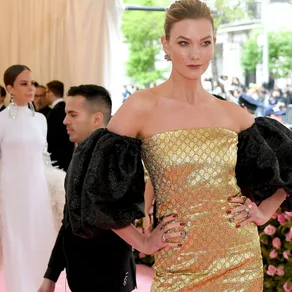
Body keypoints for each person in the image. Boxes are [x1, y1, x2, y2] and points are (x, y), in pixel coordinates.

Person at [65, 0, 292, 291]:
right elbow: (92, 188)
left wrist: (265, 210)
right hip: (177, 262)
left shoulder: (230, 112)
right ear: (165, 44)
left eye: (204, 43)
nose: (195, 54)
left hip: (239, 261)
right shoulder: (142, 106)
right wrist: (142, 241)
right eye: (184, 43)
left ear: (214, 43)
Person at [39, 84, 180, 292]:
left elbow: (109, 213)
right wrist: (51, 275)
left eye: (72, 114)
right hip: (80, 272)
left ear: (96, 118)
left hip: (109, 273)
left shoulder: (112, 154)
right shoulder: (82, 153)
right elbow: (69, 220)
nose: (65, 120)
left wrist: (144, 243)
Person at [0, 65, 57, 292]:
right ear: (10, 87)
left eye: (32, 83)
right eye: (24, 83)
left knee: (40, 246)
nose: (31, 88)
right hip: (11, 193)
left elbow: (44, 159)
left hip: (38, 193)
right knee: (16, 248)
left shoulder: (41, 120)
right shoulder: (1, 120)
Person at [46, 80, 75, 171]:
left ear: (50, 93)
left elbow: (49, 138)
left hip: (56, 158)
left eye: (46, 92)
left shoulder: (53, 113)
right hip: (69, 154)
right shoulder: (68, 109)